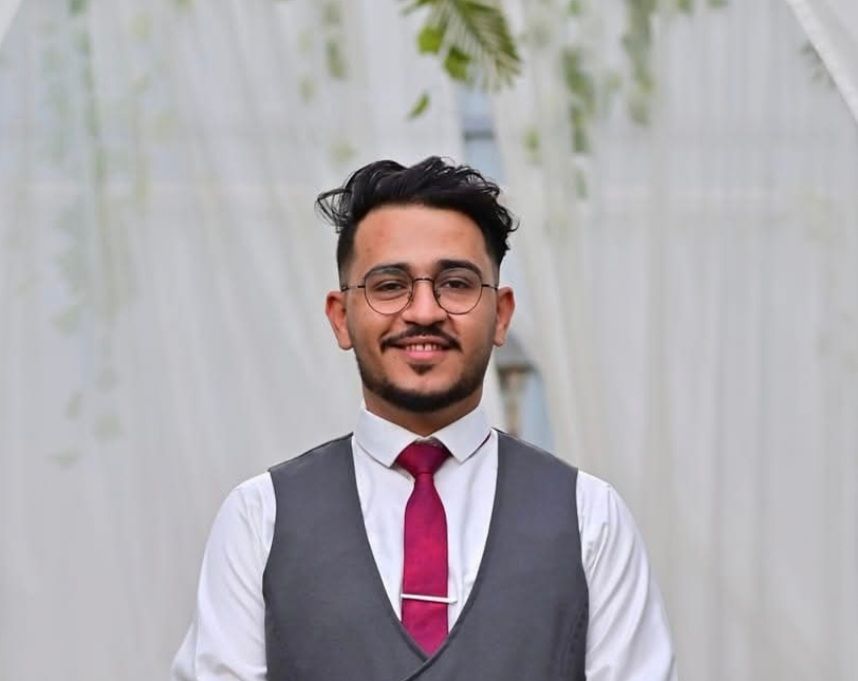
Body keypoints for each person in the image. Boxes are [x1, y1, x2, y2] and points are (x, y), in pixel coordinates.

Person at [171, 157, 677, 680]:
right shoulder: (259, 519)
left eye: (455, 283)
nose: (424, 312)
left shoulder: (590, 517)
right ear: (341, 318)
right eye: (389, 285)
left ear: (501, 314)